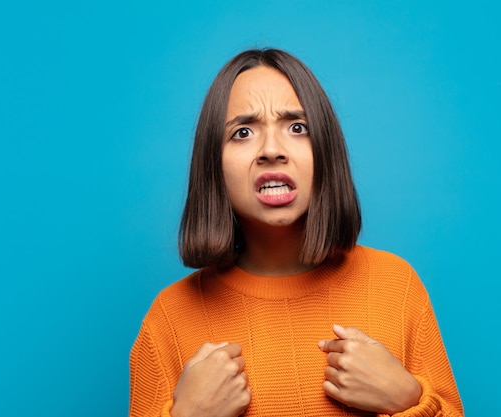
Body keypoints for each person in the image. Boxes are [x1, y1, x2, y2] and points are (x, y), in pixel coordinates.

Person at [129, 48, 464, 417]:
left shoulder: (396, 287)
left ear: (325, 150)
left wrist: (408, 401)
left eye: (297, 127)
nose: (271, 150)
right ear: (213, 164)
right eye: (242, 132)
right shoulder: (169, 318)